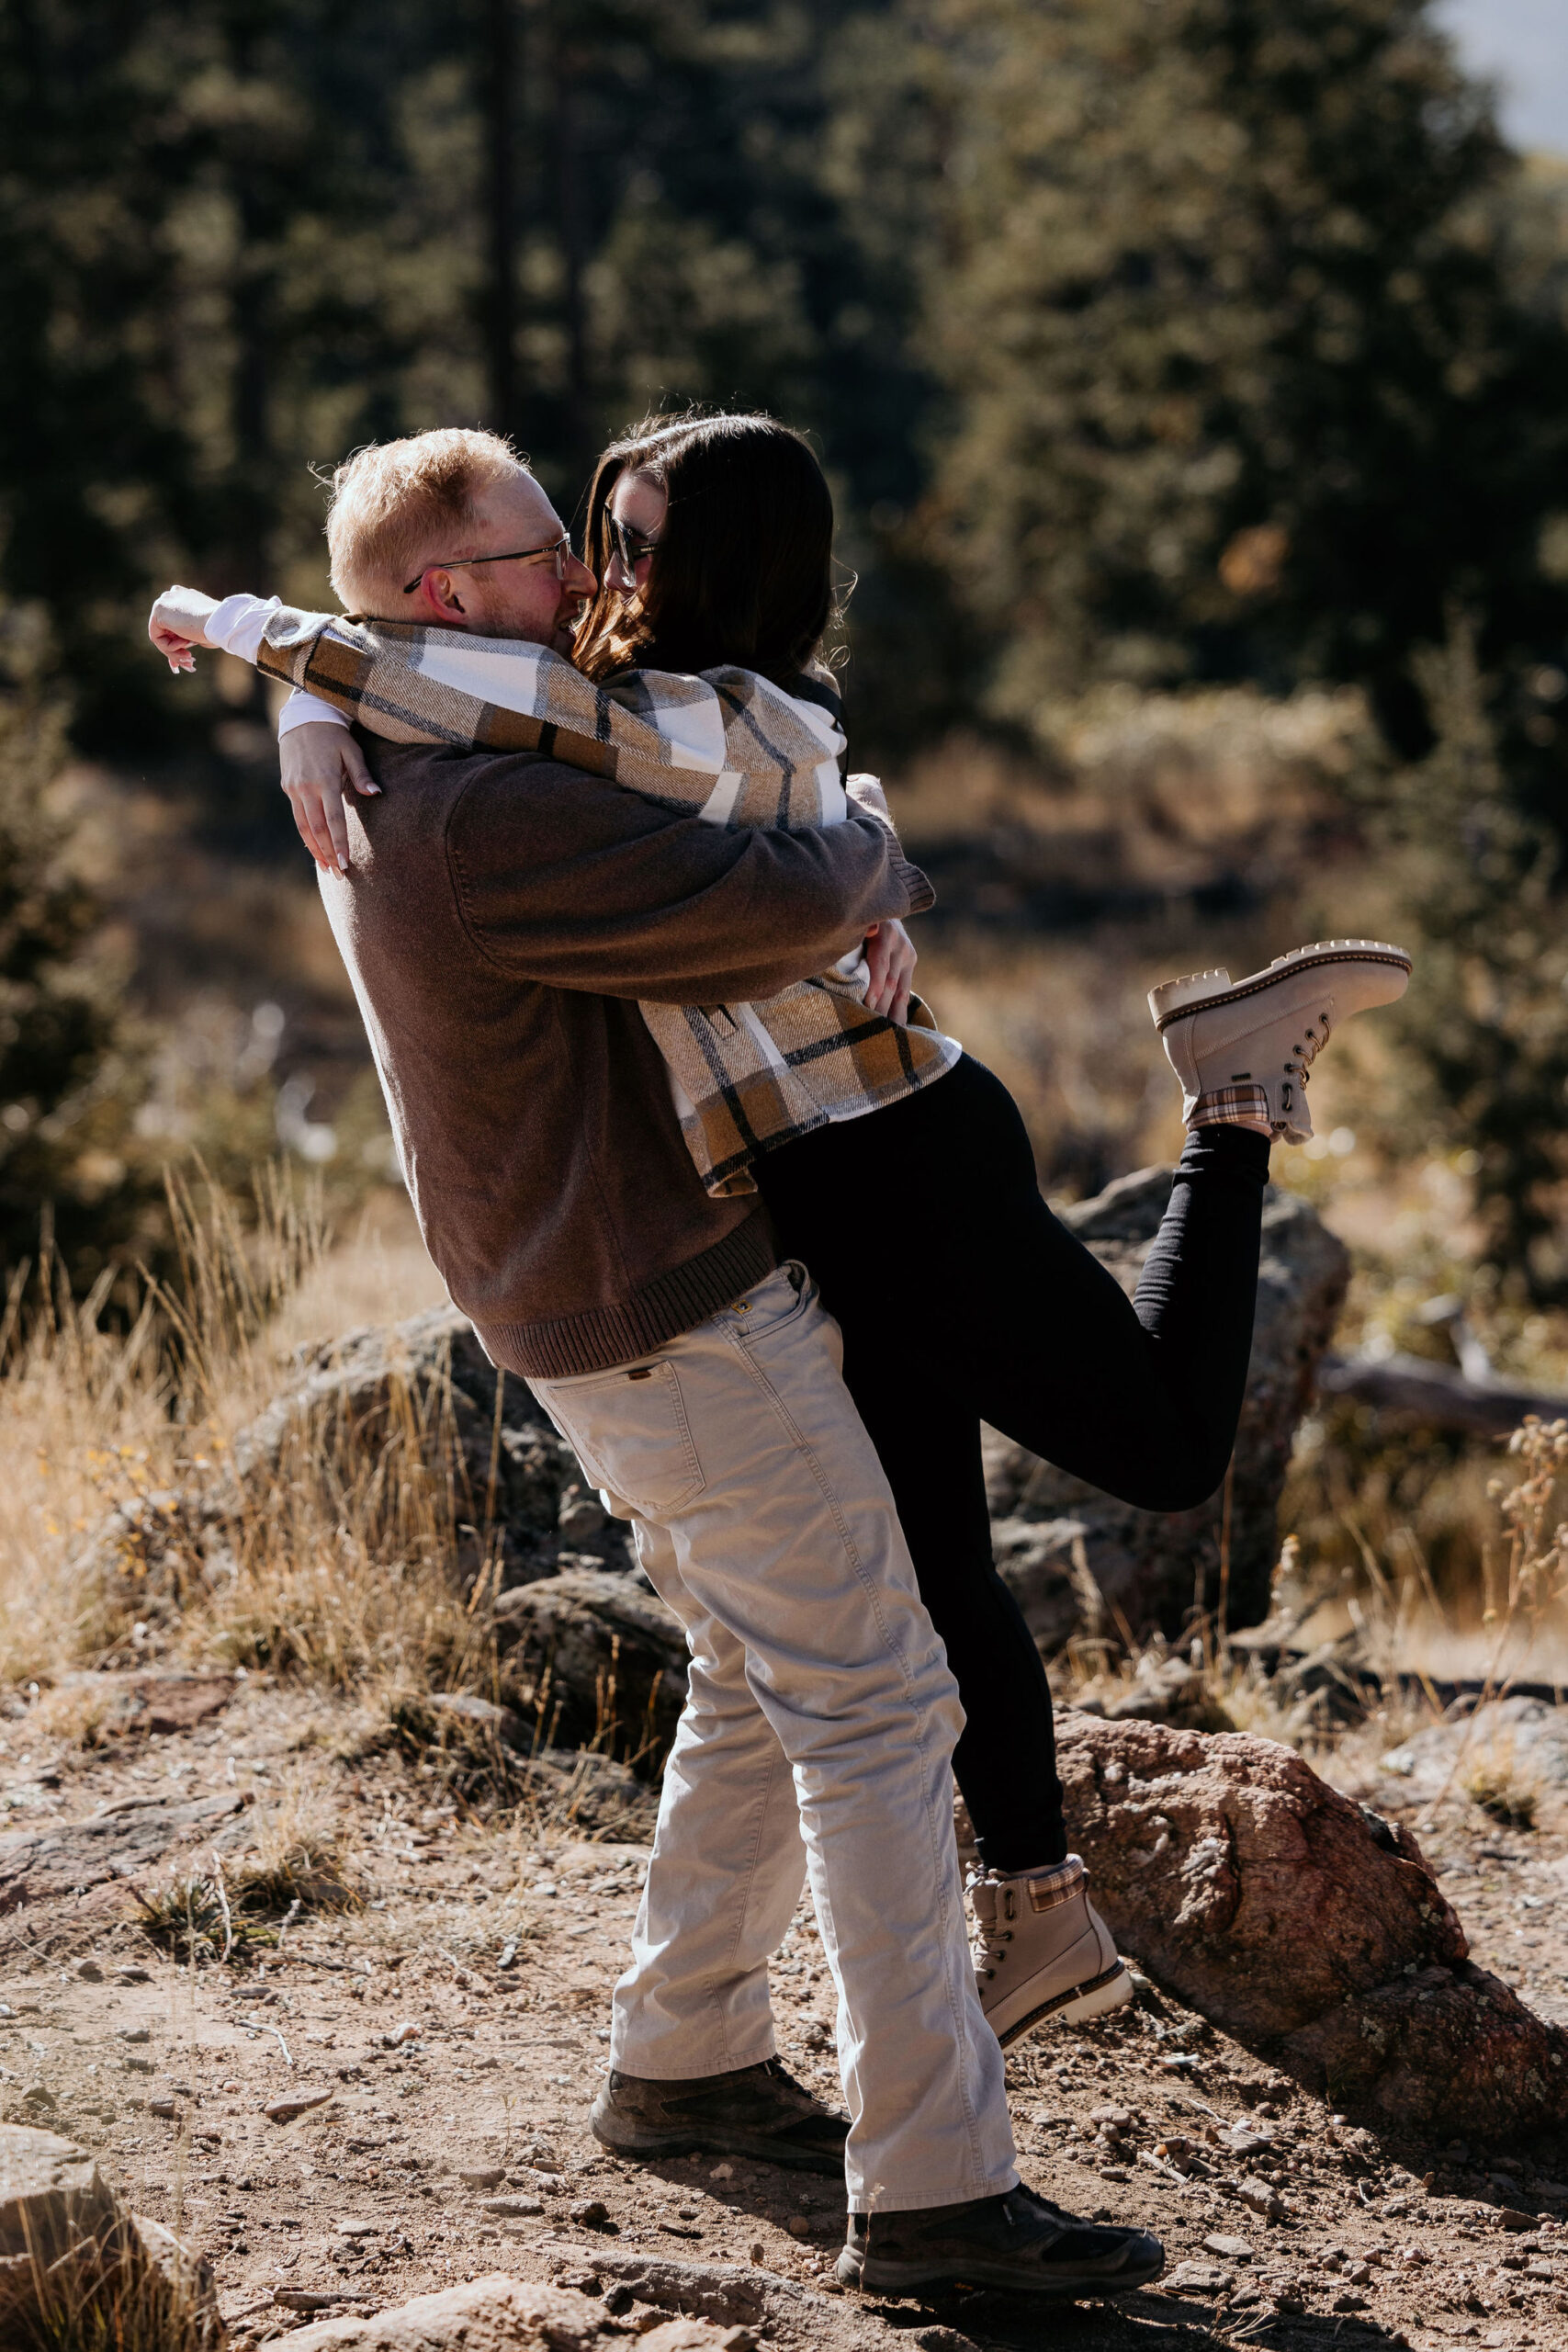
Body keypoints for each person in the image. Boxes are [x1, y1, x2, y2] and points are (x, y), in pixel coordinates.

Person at [152, 413, 1411, 2064]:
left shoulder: (686, 717)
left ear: (730, 567)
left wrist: (286, 670)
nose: (608, 570)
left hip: (889, 1152)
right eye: (592, 533)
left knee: (1159, 1461)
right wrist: (313, 708)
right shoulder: (608, 712)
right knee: (924, 1570)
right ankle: (1024, 1901)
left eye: (639, 542)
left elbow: (492, 696)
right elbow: (450, 675)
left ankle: (1228, 1102)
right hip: (800, 1188)